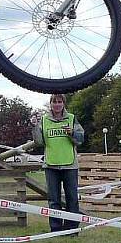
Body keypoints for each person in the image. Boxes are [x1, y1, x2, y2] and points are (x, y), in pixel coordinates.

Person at [33, 94, 85, 232]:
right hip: (51, 165)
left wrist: (72, 133)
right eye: (54, 102)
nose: (57, 104)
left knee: (72, 199)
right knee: (53, 200)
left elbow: (81, 139)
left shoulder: (72, 118)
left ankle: (71, 228)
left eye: (59, 101)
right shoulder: (43, 120)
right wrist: (35, 127)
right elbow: (38, 142)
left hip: (70, 164)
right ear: (50, 104)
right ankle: (55, 229)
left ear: (63, 103)